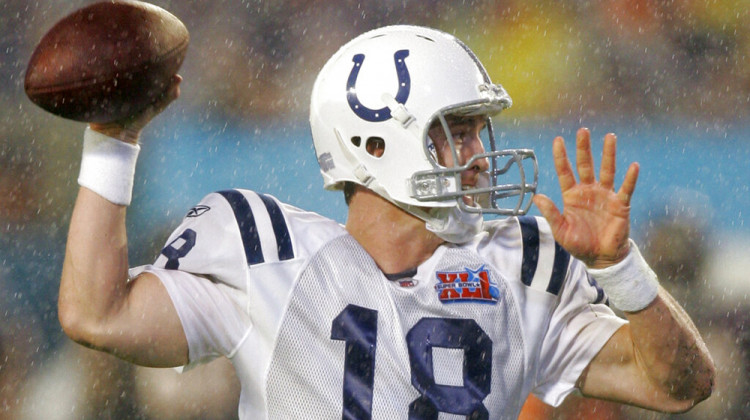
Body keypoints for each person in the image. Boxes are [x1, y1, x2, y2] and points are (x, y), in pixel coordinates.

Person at [58, 25, 714, 419]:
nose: (479, 158)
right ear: (375, 146)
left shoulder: (516, 264)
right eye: (454, 133)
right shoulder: (269, 254)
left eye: (477, 133)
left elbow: (679, 385)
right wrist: (113, 142)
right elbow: (98, 315)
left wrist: (621, 271)